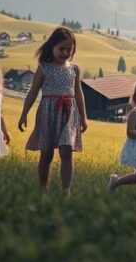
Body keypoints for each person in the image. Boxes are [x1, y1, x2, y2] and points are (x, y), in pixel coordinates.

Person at [19, 27, 88, 195]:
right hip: (48, 112)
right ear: (52, 47)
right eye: (61, 49)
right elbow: (33, 92)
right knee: (47, 153)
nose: (65, 52)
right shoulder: (44, 68)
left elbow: (78, 94)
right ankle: (44, 189)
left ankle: (66, 190)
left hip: (69, 113)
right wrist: (24, 114)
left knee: (67, 151)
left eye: (69, 49)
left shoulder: (74, 69)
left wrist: (84, 118)